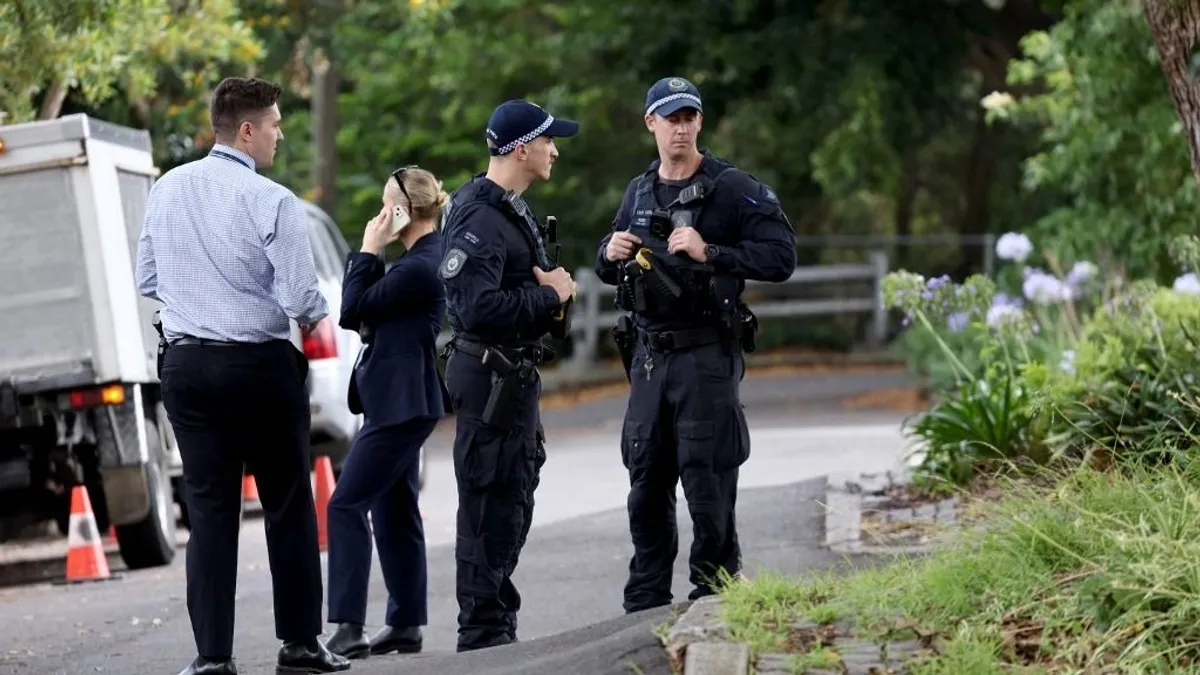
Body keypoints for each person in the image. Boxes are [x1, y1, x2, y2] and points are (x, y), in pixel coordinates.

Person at [135, 76, 350, 675]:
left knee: (208, 509)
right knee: (286, 501)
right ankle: (301, 645)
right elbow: (303, 297)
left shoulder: (167, 188)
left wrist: (198, 295)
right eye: (276, 125)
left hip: (186, 366)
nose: (281, 136)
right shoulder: (273, 200)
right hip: (257, 365)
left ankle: (212, 658)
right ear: (248, 130)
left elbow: (147, 278)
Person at [595, 76, 797, 613]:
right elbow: (608, 268)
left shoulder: (732, 187)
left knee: (706, 478)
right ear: (651, 124)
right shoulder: (638, 191)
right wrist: (607, 252)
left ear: (699, 123)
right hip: (648, 356)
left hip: (706, 353)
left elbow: (781, 257)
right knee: (645, 481)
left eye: (689, 118)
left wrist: (713, 252)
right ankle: (645, 605)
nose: (679, 128)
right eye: (670, 118)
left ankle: (716, 593)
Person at [438, 99, 578, 652]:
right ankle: (483, 639)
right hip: (491, 378)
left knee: (511, 498)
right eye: (548, 141)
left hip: (512, 378)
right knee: (490, 505)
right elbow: (474, 308)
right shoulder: (480, 215)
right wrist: (547, 294)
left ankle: (495, 628)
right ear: (522, 148)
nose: (555, 150)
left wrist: (548, 295)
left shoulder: (506, 207)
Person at [324, 166, 450, 659]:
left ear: (403, 210)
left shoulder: (418, 267)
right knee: (393, 508)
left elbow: (352, 310)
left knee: (345, 503)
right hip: (400, 401)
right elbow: (369, 311)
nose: (379, 215)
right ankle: (404, 623)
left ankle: (348, 625)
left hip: (401, 405)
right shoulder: (420, 260)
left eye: (385, 206)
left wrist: (368, 248)